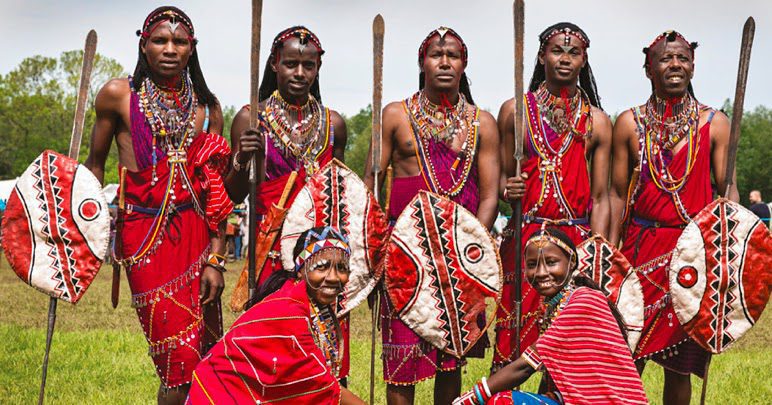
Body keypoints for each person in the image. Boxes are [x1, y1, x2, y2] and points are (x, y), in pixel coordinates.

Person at [84, 7, 230, 404]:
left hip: (198, 238)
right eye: (160, 40)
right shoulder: (118, 96)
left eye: (179, 41)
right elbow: (93, 167)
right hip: (144, 237)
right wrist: (81, 226)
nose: (170, 48)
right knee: (176, 359)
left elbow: (215, 195)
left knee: (204, 358)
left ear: (191, 48)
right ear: (143, 45)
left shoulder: (206, 108)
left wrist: (217, 260)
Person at [364, 27, 500, 404]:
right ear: (422, 63)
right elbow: (372, 185)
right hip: (404, 255)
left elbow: (489, 196)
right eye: (436, 55)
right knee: (400, 360)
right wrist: (379, 249)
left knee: (450, 359)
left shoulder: (481, 123)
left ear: (464, 63)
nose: (444, 62)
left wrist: (468, 248)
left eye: (452, 55)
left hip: (460, 259)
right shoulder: (395, 115)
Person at [609, 30, 737, 404]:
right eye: (665, 59)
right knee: (626, 354)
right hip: (639, 250)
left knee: (678, 366)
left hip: (692, 253)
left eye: (682, 58)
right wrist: (609, 253)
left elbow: (727, 188)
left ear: (693, 66)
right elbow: (617, 194)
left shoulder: (714, 123)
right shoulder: (629, 123)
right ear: (648, 68)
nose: (675, 65)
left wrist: (728, 243)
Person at [223, 25, 351, 381]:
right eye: (290, 64)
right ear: (274, 65)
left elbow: (341, 194)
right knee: (274, 354)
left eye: (307, 65)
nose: (299, 73)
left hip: (324, 260)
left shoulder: (333, 124)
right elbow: (234, 194)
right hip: (271, 255)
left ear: (318, 68)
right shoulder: (250, 119)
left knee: (323, 353)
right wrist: (241, 159)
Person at [494, 22, 612, 371]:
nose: (565, 58)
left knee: (569, 348)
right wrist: (507, 188)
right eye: (557, 50)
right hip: (524, 237)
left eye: (573, 52)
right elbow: (501, 177)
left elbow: (603, 196)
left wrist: (599, 248)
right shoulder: (514, 111)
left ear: (584, 60)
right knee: (511, 339)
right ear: (542, 56)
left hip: (575, 242)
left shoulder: (598, 121)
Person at [454, 228, 648, 405]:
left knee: (503, 402)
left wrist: (472, 397)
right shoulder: (560, 303)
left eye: (551, 262)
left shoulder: (583, 300)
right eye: (532, 265)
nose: (540, 272)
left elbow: (526, 366)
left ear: (572, 262)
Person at [187, 226, 365, 405]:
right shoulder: (289, 311)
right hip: (220, 396)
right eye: (321, 267)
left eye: (342, 268)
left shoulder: (309, 304)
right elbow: (320, 383)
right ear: (300, 270)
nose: (334, 277)